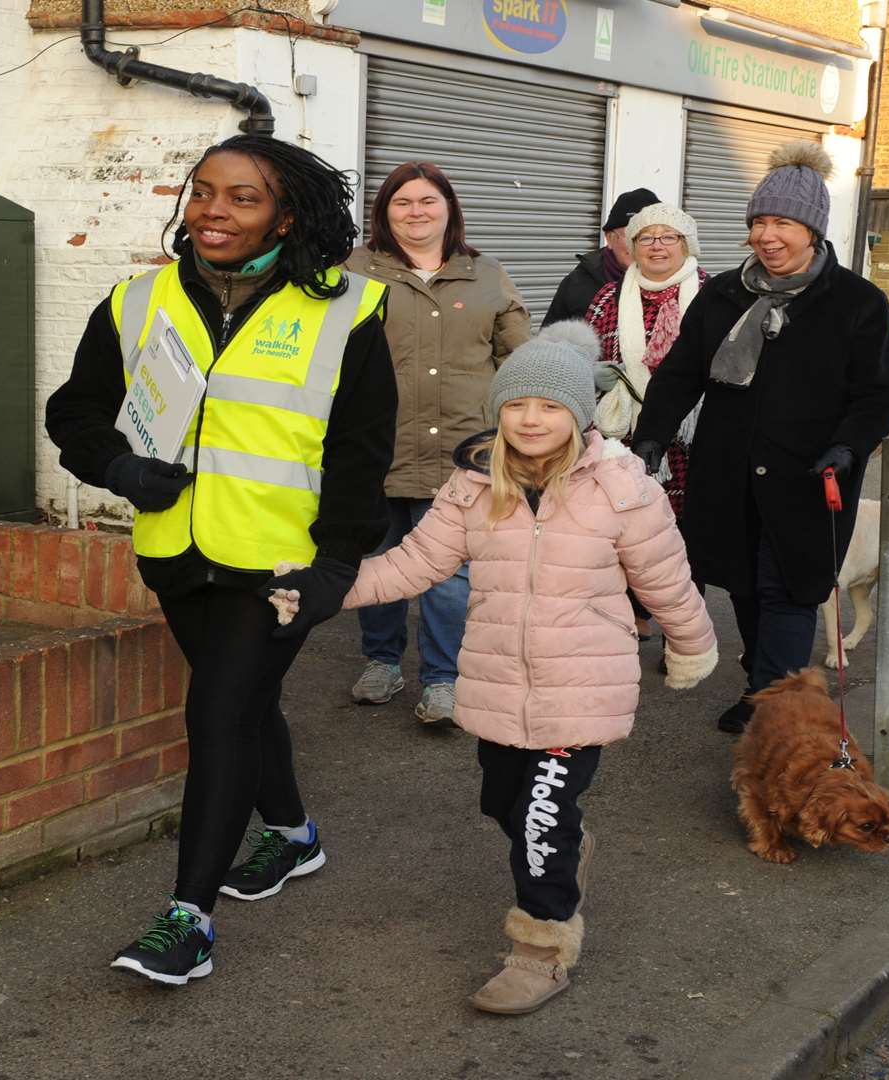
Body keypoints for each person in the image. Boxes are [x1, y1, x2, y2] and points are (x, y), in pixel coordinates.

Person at [267, 321, 717, 1014]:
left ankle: (541, 952)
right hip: (499, 682)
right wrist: (325, 589)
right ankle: (566, 843)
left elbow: (666, 580)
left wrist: (691, 643)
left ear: (577, 414)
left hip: (580, 687)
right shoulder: (473, 488)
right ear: (498, 412)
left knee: (539, 820)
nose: (530, 419)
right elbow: (414, 563)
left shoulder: (624, 488)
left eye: (548, 406)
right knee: (502, 803)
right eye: (516, 405)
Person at [43, 134, 397, 985]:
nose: (214, 210)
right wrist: (119, 467)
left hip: (279, 564)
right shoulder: (135, 301)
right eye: (203, 191)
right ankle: (295, 837)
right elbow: (74, 412)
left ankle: (188, 920)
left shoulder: (346, 309)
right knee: (243, 709)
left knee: (216, 716)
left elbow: (360, 450)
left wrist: (337, 567)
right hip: (177, 553)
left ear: (287, 212)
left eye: (243, 197)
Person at [631, 141, 889, 734]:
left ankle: (778, 711)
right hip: (728, 473)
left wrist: (848, 445)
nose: (767, 235)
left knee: (789, 591)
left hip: (809, 476)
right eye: (758, 222)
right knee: (748, 590)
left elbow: (880, 394)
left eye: (782, 222)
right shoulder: (725, 293)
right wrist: (651, 435)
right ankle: (762, 685)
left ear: (812, 230)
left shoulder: (857, 303)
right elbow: (681, 373)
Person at [344, 161, 531, 723]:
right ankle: (382, 661)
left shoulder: (487, 276)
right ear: (384, 213)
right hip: (376, 450)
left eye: (428, 201)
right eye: (403, 202)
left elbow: (519, 362)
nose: (416, 212)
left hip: (462, 453)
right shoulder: (353, 272)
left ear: (449, 210)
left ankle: (443, 678)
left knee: (450, 576)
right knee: (375, 561)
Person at [582, 203, 708, 643]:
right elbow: (585, 354)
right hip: (625, 431)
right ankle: (629, 614)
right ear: (630, 247)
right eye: (646, 238)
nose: (657, 246)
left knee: (685, 534)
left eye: (668, 237)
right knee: (624, 528)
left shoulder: (713, 293)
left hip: (695, 437)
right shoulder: (607, 296)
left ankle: (684, 626)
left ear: (685, 244)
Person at [541, 187, 660, 327]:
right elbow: (550, 341)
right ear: (610, 238)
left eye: (649, 237)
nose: (640, 245)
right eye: (630, 236)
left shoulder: (684, 284)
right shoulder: (578, 284)